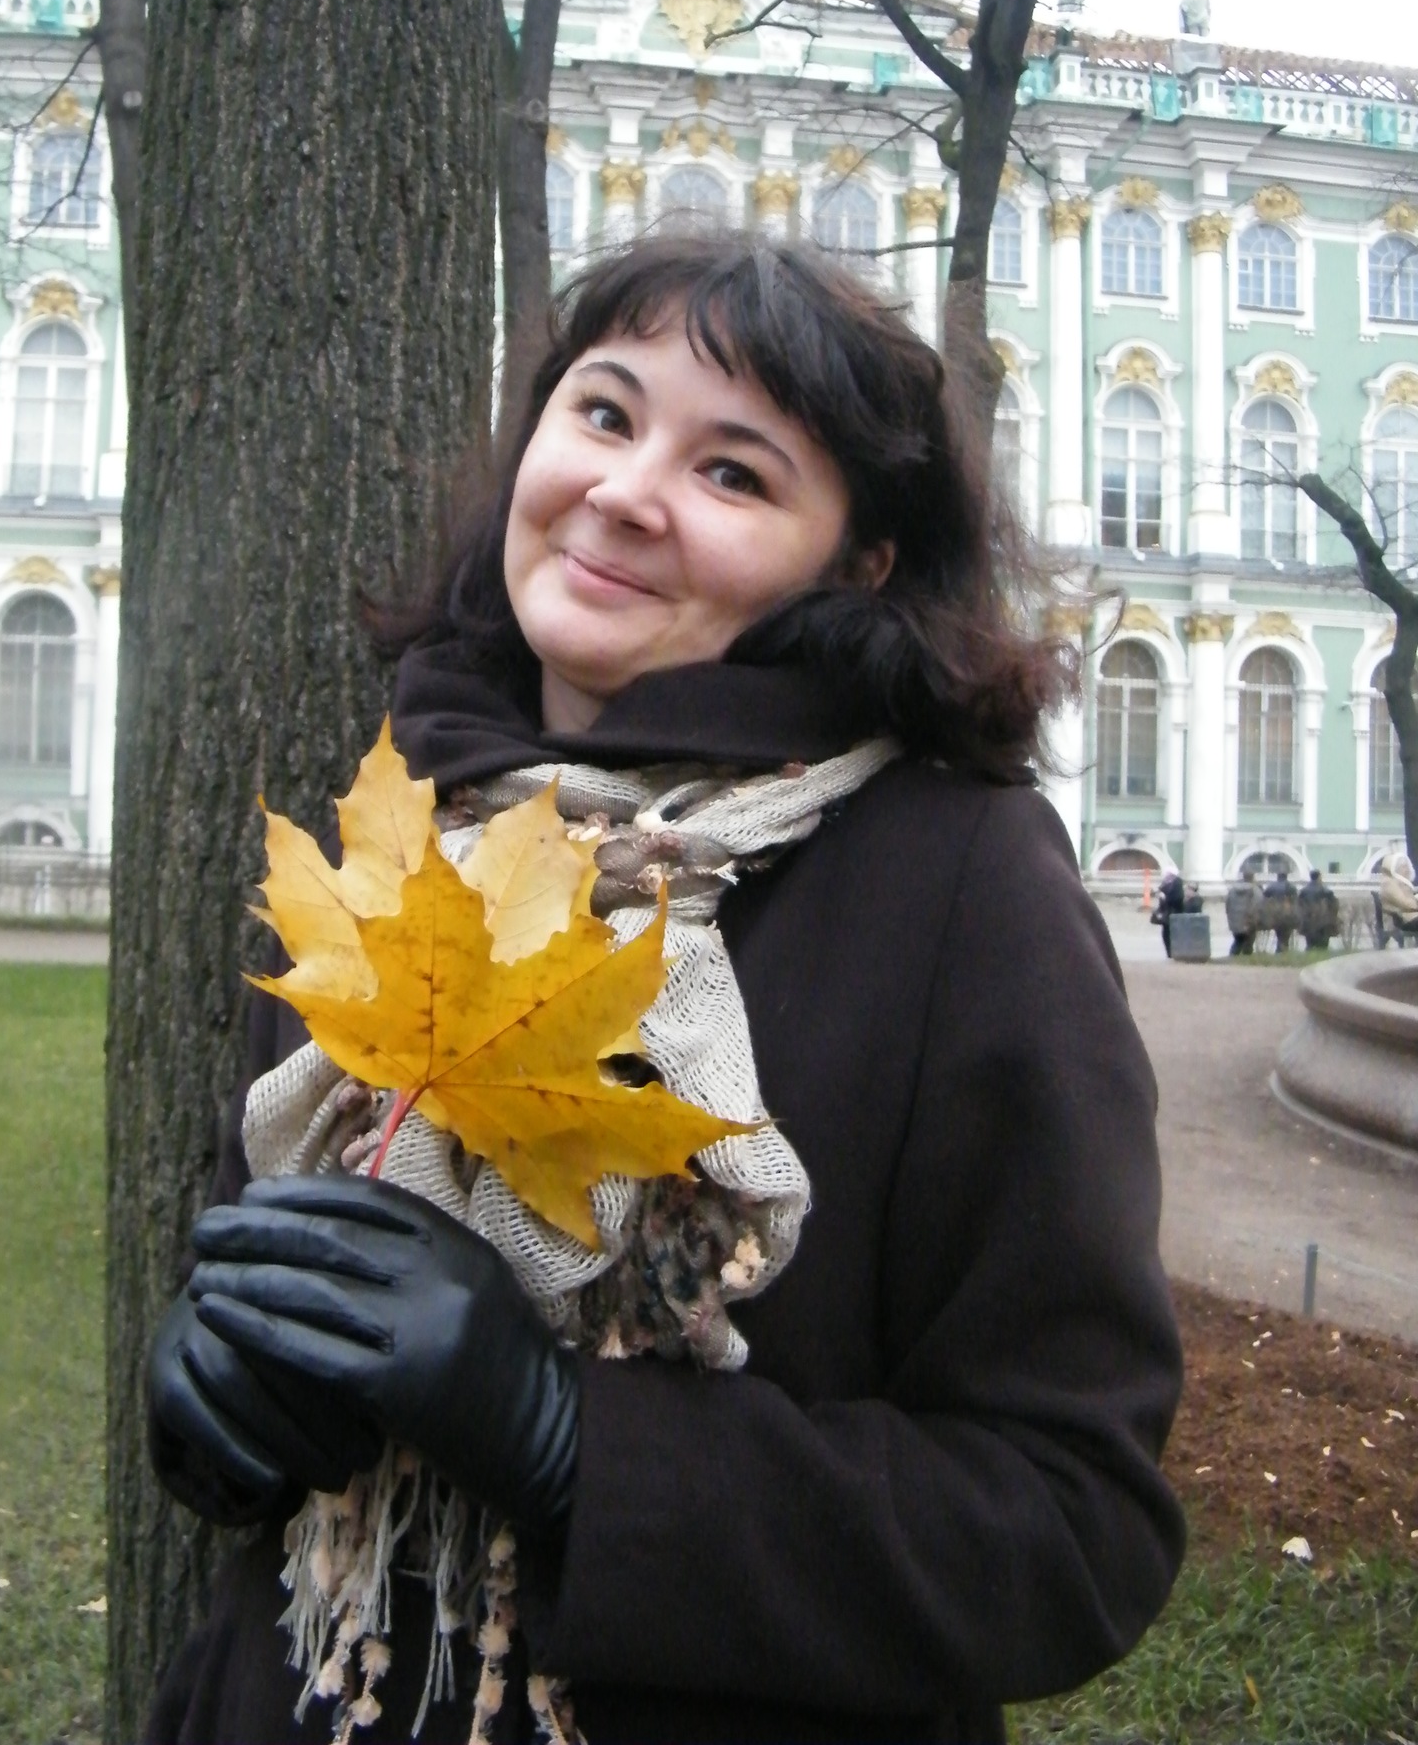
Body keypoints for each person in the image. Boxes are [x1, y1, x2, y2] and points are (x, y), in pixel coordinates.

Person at [144, 235, 1184, 1745]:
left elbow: (1072, 1526)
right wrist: (221, 1405)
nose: (627, 491)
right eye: (606, 413)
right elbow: (276, 1313)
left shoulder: (962, 882)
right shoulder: (403, 823)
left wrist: (574, 1443)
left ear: (861, 563)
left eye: (734, 473)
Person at [1378, 852, 1418, 946]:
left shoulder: (1398, 882)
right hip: (1406, 919)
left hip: (1409, 916)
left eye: (1407, 866)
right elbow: (1405, 903)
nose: (1407, 869)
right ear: (1394, 868)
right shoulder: (1389, 883)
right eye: (1403, 867)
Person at [1297, 869, 1339, 953]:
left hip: (1308, 919)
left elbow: (1299, 904)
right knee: (1323, 943)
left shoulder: (1303, 891)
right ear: (1319, 877)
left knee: (1310, 943)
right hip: (1323, 920)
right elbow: (1333, 904)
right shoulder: (1326, 891)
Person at [1260, 867, 1299, 954]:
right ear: (1286, 876)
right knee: (1285, 934)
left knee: (1279, 932)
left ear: (1277, 876)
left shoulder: (1271, 886)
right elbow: (1295, 901)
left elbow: (1264, 898)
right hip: (1287, 914)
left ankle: (1280, 949)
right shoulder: (1290, 887)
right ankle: (1282, 950)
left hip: (1274, 914)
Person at [1225, 864, 1261, 957]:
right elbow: (1259, 905)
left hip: (1234, 921)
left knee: (1237, 941)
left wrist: (1230, 918)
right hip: (1249, 922)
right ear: (1253, 877)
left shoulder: (1232, 890)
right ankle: (1245, 958)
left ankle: (1233, 957)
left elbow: (1227, 905)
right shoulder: (1255, 890)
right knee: (1248, 943)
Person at [1151, 870, 1186, 957]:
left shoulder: (1177, 883)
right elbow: (1158, 892)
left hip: (1173, 913)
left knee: (1171, 934)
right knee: (1166, 934)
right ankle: (1170, 953)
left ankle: (1172, 953)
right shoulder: (1167, 883)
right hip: (1167, 913)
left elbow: (1176, 899)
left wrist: (1164, 897)